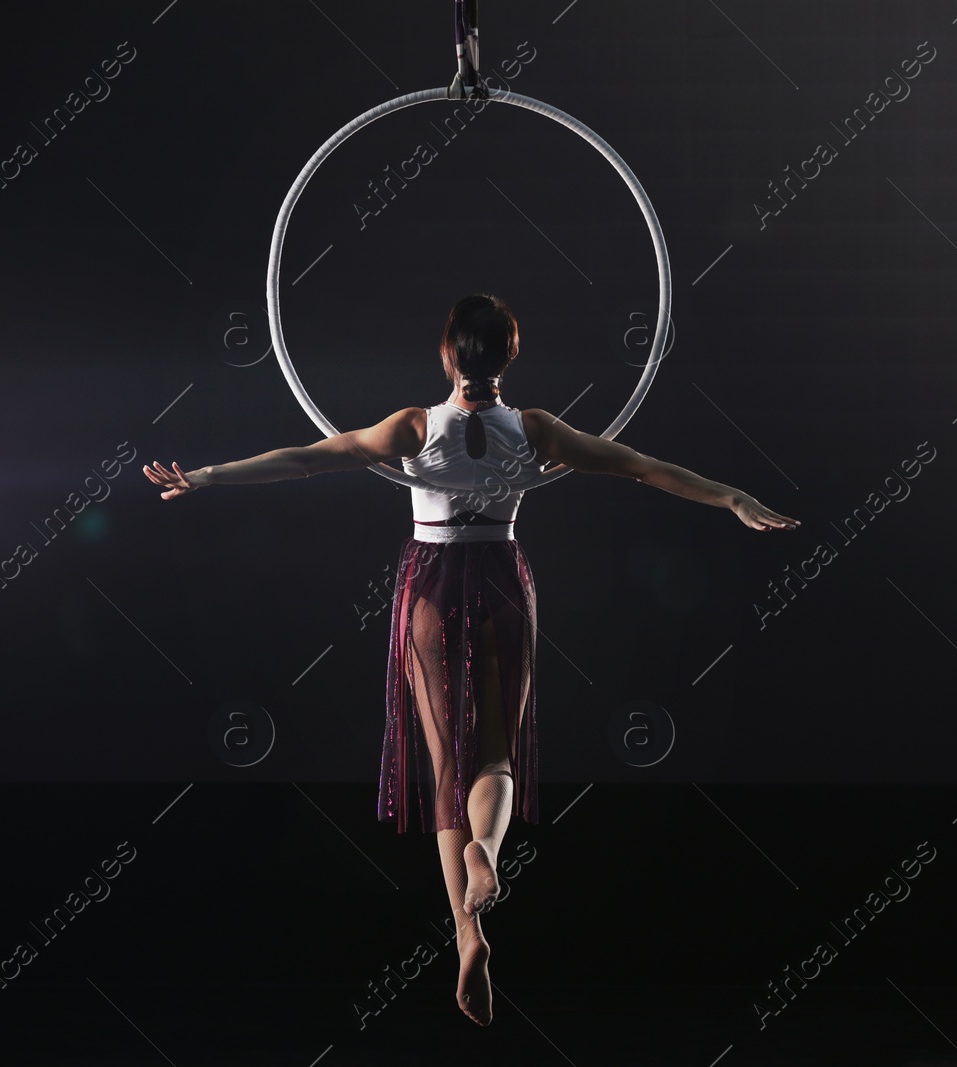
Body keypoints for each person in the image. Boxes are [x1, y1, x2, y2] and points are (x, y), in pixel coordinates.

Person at [143, 293, 798, 1026]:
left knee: (445, 763)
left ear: (447, 356)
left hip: (430, 586)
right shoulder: (537, 430)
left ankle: (467, 931)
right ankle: (487, 849)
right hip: (501, 583)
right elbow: (640, 465)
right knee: (495, 755)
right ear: (510, 356)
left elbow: (306, 459)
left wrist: (204, 476)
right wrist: (730, 495)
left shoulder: (414, 426)